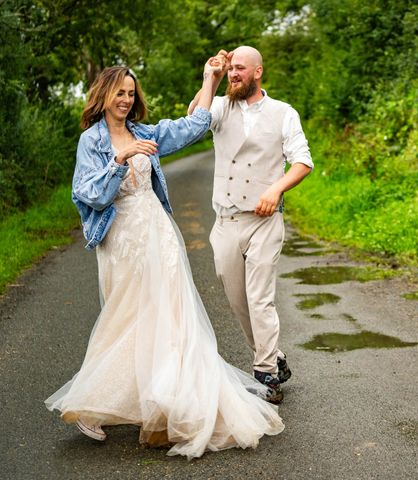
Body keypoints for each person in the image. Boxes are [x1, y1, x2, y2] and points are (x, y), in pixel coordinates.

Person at [45, 56, 284, 460]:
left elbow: (193, 127)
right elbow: (87, 195)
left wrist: (208, 78)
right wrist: (119, 161)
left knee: (170, 317)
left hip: (159, 233)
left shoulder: (145, 131)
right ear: (103, 96)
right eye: (119, 93)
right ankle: (91, 404)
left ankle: (165, 403)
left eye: (130, 93)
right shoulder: (93, 141)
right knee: (124, 316)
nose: (125, 99)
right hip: (120, 239)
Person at [188, 46, 313, 404]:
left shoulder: (283, 113)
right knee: (237, 298)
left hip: (264, 222)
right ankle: (276, 358)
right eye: (231, 70)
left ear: (258, 72)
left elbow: (302, 161)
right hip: (226, 220)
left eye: (240, 69)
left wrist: (275, 189)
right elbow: (193, 120)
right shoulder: (220, 107)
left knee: (260, 299)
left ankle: (266, 374)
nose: (234, 74)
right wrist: (208, 77)